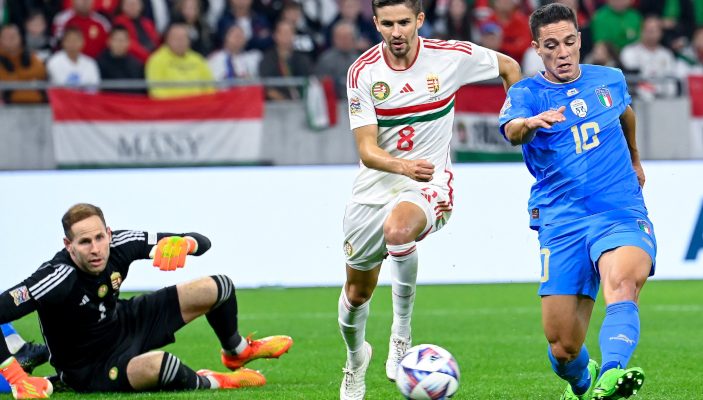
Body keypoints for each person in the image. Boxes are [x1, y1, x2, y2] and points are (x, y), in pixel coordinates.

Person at [337, 1, 521, 399]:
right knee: (356, 295)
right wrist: (402, 166)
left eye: (404, 22)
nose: (397, 31)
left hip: (428, 184)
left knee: (398, 230)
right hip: (375, 187)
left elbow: (509, 66)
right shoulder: (363, 72)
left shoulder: (450, 57)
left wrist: (515, 122)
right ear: (376, 24)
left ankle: (401, 334)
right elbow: (367, 149)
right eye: (388, 23)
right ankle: (355, 361)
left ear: (419, 20)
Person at [498, 4, 656, 400]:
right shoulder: (527, 94)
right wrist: (530, 123)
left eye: (569, 42)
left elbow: (625, 113)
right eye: (551, 46)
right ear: (537, 48)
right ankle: (584, 383)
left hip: (619, 209)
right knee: (562, 346)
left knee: (622, 283)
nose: (563, 52)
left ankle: (613, 373)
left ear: (579, 40)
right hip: (562, 219)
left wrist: (635, 158)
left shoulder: (609, 79)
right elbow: (512, 131)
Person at [0, 203, 293, 398]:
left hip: (123, 322)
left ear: (108, 233)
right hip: (88, 367)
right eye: (85, 242)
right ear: (69, 245)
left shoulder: (120, 243)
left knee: (219, 286)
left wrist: (186, 243)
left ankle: (237, 351)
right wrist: (15, 377)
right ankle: (213, 381)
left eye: (100, 238)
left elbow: (201, 241)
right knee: (161, 365)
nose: (96, 249)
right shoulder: (55, 278)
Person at [145, 22, 215, 98]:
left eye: (184, 38)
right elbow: (156, 92)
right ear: (167, 40)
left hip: (199, 104)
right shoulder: (156, 60)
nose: (181, 42)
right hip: (171, 104)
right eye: (177, 39)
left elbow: (210, 87)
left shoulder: (198, 59)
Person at [0, 24, 47, 104]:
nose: (9, 40)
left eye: (12, 37)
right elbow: (4, 79)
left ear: (20, 38)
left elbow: (40, 72)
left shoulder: (29, 55)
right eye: (5, 37)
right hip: (8, 105)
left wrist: (15, 76)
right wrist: (27, 78)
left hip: (36, 103)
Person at [97, 26, 145, 94]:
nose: (119, 43)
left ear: (129, 42)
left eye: (123, 40)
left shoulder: (136, 65)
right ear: (109, 41)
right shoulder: (99, 64)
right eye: (116, 40)